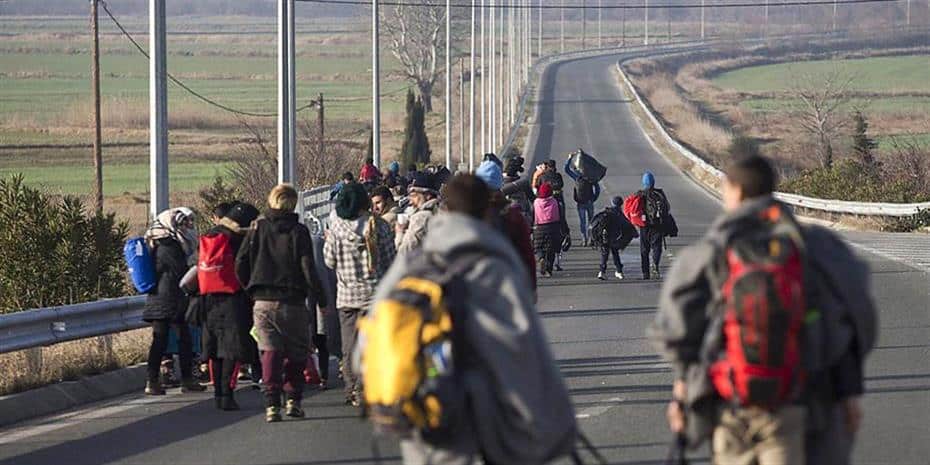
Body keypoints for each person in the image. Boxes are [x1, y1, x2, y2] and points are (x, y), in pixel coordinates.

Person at [649, 155, 877, 465]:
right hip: (805, 398)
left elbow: (677, 332)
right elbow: (855, 316)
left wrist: (681, 393)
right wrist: (849, 391)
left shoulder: (710, 253)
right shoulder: (817, 246)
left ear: (735, 190)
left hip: (730, 401)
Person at [365, 174, 576, 465]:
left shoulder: (413, 264)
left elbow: (371, 337)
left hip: (422, 421)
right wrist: (560, 430)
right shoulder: (493, 269)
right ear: (487, 212)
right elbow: (526, 353)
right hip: (480, 424)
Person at [235, 184, 328, 423]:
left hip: (263, 301)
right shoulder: (299, 231)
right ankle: (293, 400)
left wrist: (250, 288)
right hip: (293, 301)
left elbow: (240, 262)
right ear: (293, 202)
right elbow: (309, 268)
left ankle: (271, 404)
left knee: (270, 352)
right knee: (297, 354)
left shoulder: (257, 227)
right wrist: (321, 299)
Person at [324, 182, 396, 406]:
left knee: (350, 344)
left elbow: (329, 261)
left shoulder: (337, 230)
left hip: (347, 296)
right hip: (375, 295)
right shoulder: (380, 226)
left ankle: (352, 387)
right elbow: (390, 258)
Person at [197, 202, 260, 411]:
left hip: (208, 298)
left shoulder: (210, 234)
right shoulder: (239, 239)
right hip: (233, 297)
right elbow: (246, 266)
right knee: (231, 349)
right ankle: (227, 394)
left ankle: (217, 394)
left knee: (214, 348)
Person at [142, 207, 205, 395]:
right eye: (185, 223)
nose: (189, 227)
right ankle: (172, 380)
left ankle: (158, 380)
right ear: (173, 223)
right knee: (173, 339)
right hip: (168, 297)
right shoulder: (169, 244)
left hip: (162, 297)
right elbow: (178, 270)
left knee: (167, 339)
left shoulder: (158, 241)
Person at [476, 160, 537, 293]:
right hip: (508, 280)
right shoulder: (513, 215)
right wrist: (531, 287)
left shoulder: (469, 213)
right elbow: (526, 254)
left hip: (477, 285)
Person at [591, 196, 637, 281]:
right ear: (620, 205)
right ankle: (619, 271)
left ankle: (602, 271)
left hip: (603, 238)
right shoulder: (618, 214)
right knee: (615, 254)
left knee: (604, 255)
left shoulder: (606, 212)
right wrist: (635, 233)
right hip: (614, 238)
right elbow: (627, 225)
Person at [637, 171, 671, 280]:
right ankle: (655, 265)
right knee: (657, 247)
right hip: (657, 225)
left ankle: (645, 273)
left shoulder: (640, 194)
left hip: (644, 226)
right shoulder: (660, 193)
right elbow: (667, 208)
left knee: (644, 250)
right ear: (653, 182)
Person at [397, 172, 441, 255]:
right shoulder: (441, 210)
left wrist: (400, 232)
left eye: (414, 196)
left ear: (428, 195)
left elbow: (404, 251)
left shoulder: (421, 217)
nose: (410, 201)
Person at [565, 156, 601, 246]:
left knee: (582, 222)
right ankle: (591, 239)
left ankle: (584, 239)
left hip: (580, 202)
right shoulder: (591, 177)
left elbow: (566, 169)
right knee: (591, 221)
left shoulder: (577, 177)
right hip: (589, 202)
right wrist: (594, 198)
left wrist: (569, 159)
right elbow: (597, 188)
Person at [533, 182, 562, 278]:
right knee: (551, 250)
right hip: (553, 227)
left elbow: (532, 215)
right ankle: (549, 270)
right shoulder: (554, 201)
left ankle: (541, 258)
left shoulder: (536, 202)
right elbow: (561, 217)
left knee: (539, 247)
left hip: (539, 227)